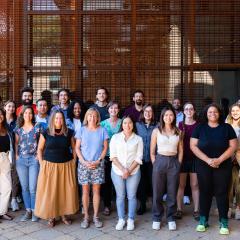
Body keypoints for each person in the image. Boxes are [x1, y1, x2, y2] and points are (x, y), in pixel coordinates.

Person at [190, 103, 237, 235]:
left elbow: (233, 146)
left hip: (223, 165)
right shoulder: (200, 128)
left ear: (219, 113)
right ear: (206, 114)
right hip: (204, 165)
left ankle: (224, 221)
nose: (212, 114)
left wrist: (219, 160)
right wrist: (208, 160)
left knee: (222, 192)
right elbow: (193, 146)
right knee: (205, 191)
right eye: (210, 112)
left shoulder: (227, 128)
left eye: (215, 112)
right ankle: (203, 220)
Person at [35, 110, 79, 227]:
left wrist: (74, 161)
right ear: (52, 120)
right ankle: (51, 216)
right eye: (56, 118)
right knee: (51, 192)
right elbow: (39, 149)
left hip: (66, 165)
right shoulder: (46, 132)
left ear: (63, 120)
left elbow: (74, 148)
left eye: (60, 118)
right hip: (49, 166)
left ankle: (64, 215)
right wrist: (41, 163)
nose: (58, 120)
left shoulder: (69, 132)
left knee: (64, 191)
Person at [150, 106, 183, 231]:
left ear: (174, 117)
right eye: (166, 115)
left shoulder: (178, 131)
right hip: (160, 161)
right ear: (162, 117)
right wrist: (155, 163)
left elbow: (181, 150)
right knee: (157, 192)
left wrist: (178, 164)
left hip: (173, 162)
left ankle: (170, 217)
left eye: (170, 115)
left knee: (172, 191)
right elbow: (152, 151)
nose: (168, 117)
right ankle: (157, 217)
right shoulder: (156, 131)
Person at [75, 108, 108, 229]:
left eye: (94, 116)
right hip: (84, 165)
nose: (92, 118)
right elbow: (77, 148)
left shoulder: (102, 130)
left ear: (97, 118)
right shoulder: (81, 130)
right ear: (87, 117)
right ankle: (86, 217)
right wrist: (83, 161)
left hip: (97, 165)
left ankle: (95, 217)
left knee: (96, 191)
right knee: (85, 191)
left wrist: (98, 160)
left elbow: (105, 148)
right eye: (90, 116)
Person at [110, 116, 143, 231]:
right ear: (121, 125)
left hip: (133, 171)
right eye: (125, 123)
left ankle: (130, 219)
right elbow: (113, 156)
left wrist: (128, 170)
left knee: (132, 196)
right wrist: (123, 170)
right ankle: (121, 219)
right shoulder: (115, 137)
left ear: (133, 125)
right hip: (117, 170)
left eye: (129, 123)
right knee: (120, 196)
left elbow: (139, 157)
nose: (127, 125)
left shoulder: (138, 139)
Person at [14, 106, 42, 222]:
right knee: (24, 187)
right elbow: (16, 144)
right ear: (22, 114)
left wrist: (38, 156)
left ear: (33, 115)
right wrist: (16, 156)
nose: (28, 115)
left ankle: (35, 211)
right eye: (26, 113)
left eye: (30, 113)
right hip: (21, 161)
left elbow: (42, 143)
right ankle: (28, 211)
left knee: (33, 188)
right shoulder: (18, 129)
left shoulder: (37, 127)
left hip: (33, 160)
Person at [176, 102, 199, 220]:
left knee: (195, 185)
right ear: (183, 112)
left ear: (194, 111)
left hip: (195, 158)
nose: (189, 111)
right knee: (181, 185)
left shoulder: (199, 125)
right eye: (186, 109)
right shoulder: (180, 125)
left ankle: (196, 210)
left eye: (191, 109)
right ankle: (179, 209)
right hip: (183, 158)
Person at [100, 101, 122, 216]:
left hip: (120, 157)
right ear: (108, 110)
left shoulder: (122, 122)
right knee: (107, 182)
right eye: (111, 108)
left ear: (118, 110)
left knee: (119, 182)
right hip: (107, 156)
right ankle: (107, 205)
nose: (113, 110)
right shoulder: (102, 124)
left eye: (116, 108)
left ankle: (120, 204)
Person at [136, 104, 156, 215]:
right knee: (141, 183)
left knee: (154, 183)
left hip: (154, 160)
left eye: (150, 111)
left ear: (153, 113)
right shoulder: (137, 125)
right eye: (146, 111)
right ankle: (142, 205)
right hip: (140, 159)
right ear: (143, 113)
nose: (148, 113)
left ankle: (155, 205)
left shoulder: (157, 126)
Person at [4, 100, 20, 211]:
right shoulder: (1, 119)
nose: (11, 109)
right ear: (5, 107)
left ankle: (13, 198)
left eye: (13, 107)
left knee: (14, 175)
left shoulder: (17, 121)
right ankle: (5, 199)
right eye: (9, 106)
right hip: (3, 152)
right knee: (4, 176)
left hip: (14, 151)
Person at [225, 103, 240, 219]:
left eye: (237, 110)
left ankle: (239, 208)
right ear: (230, 112)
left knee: (239, 184)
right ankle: (229, 208)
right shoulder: (226, 125)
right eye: (233, 111)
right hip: (229, 157)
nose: (235, 112)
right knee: (228, 184)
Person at [0, 108, 14, 222]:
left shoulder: (7, 129)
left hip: (5, 158)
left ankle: (2, 211)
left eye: (1, 114)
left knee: (7, 187)